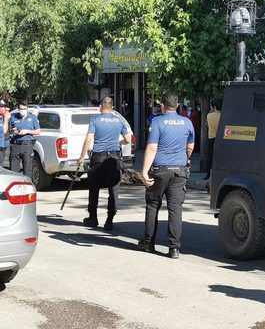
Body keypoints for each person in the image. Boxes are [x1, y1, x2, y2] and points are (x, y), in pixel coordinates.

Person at [138, 91, 195, 259]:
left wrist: (144, 171)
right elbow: (190, 147)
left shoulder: (157, 122)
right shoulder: (187, 122)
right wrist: (185, 158)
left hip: (160, 170)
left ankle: (148, 243)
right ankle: (174, 248)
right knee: (175, 209)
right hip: (179, 170)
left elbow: (152, 147)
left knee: (153, 205)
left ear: (162, 106)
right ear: (177, 105)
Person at [78, 97, 131, 230]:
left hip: (98, 159)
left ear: (101, 107)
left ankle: (93, 218)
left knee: (94, 189)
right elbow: (128, 139)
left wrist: (82, 157)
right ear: (112, 107)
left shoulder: (95, 120)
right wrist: (120, 143)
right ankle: (109, 220)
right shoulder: (119, 120)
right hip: (114, 159)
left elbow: (88, 140)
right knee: (113, 190)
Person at [9, 102, 40, 179]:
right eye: (21, 109)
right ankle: (15, 187)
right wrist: (14, 131)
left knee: (27, 168)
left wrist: (27, 131)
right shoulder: (13, 117)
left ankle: (27, 187)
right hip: (15, 145)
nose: (23, 110)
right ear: (18, 109)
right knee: (14, 169)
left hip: (27, 145)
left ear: (27, 109)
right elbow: (9, 130)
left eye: (24, 109)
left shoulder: (32, 117)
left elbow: (38, 131)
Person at [204, 102, 221, 181]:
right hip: (220, 139)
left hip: (211, 138)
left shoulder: (209, 115)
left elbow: (206, 124)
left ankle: (208, 174)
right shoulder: (223, 116)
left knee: (210, 157)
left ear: (214, 107)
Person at [0, 99, 8, 166]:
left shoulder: (5, 118)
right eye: (0, 106)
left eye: (3, 107)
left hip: (3, 148)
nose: (2, 108)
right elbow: (4, 130)